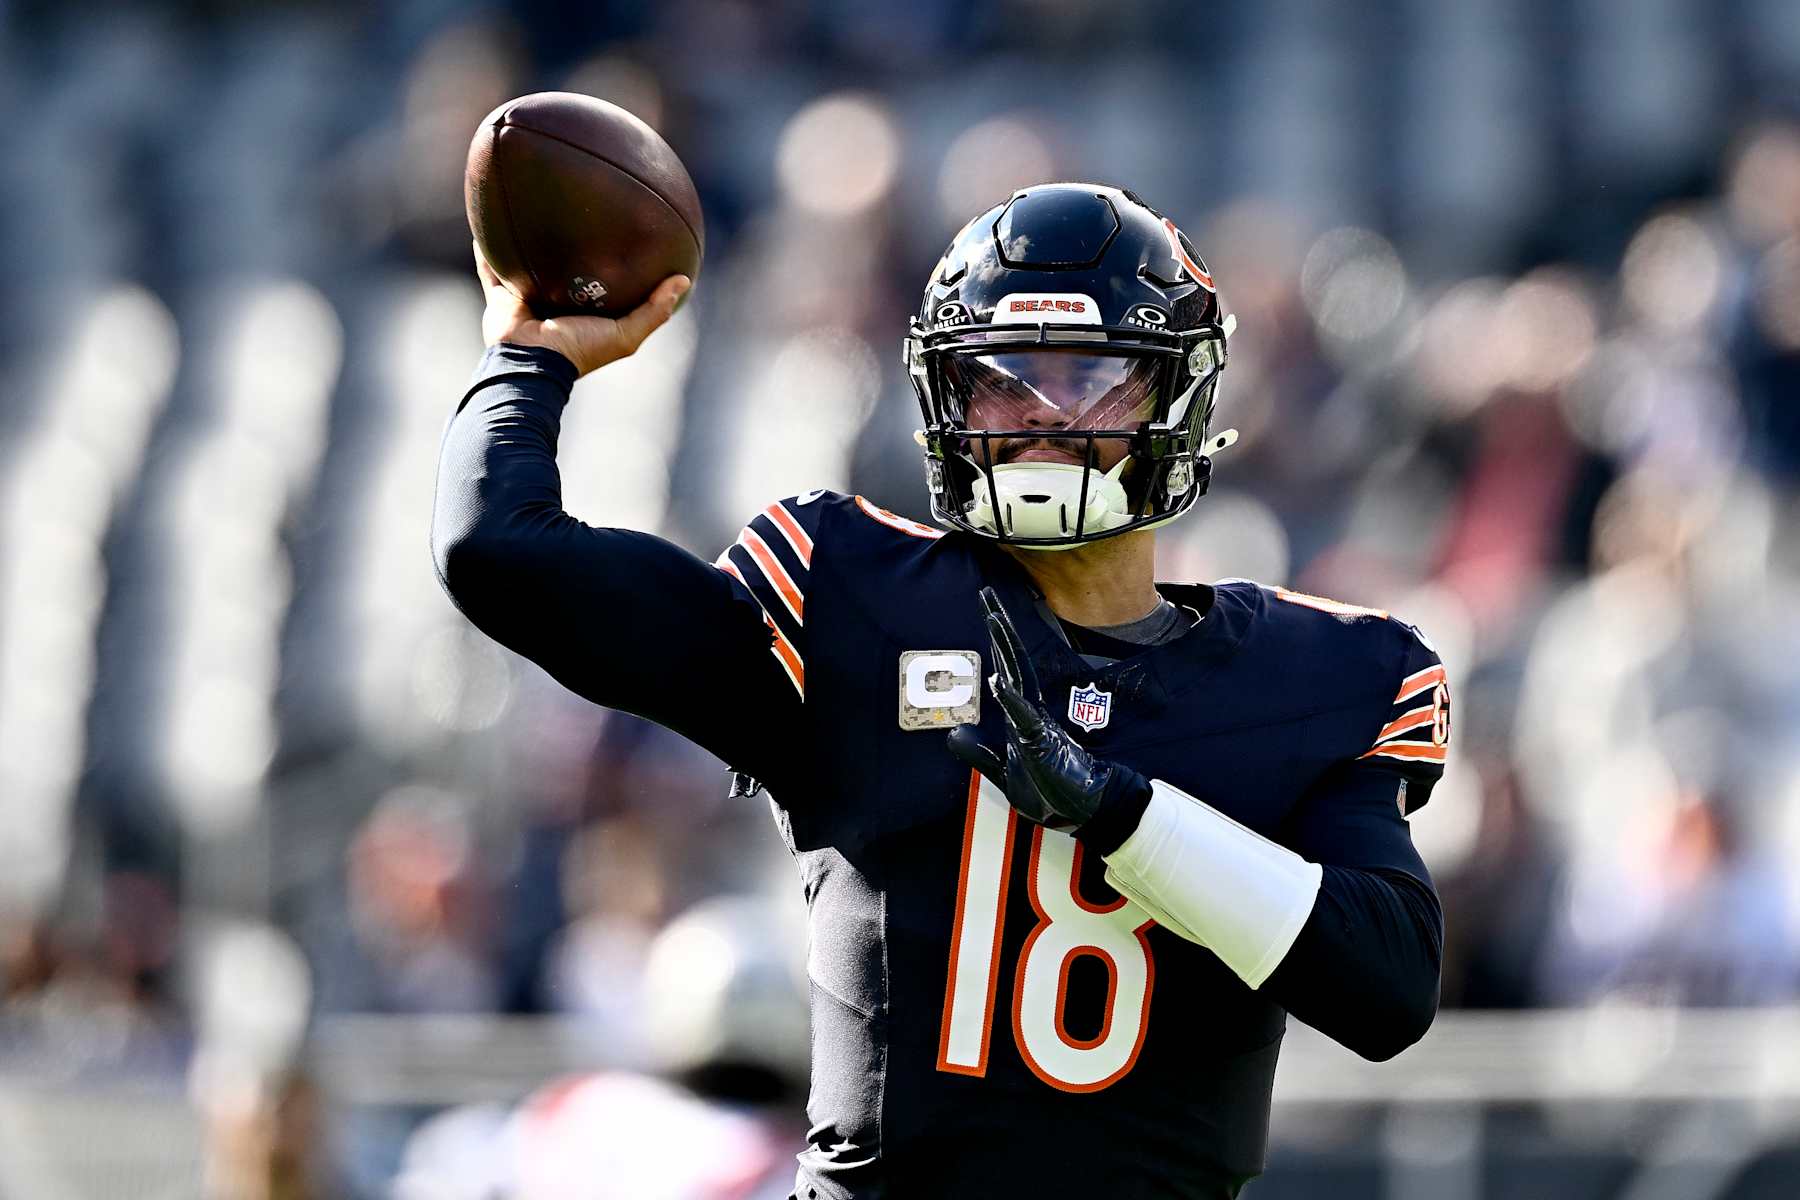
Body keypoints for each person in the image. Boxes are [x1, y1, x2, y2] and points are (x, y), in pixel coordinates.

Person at [433, 183, 1449, 1199]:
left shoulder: (1324, 674)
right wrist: (531, 355)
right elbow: (498, 555)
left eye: (1090, 378)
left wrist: (1122, 817)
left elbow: (1388, 992)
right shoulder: (846, 597)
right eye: (1002, 380)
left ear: (1176, 398)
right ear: (945, 397)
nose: (1043, 418)